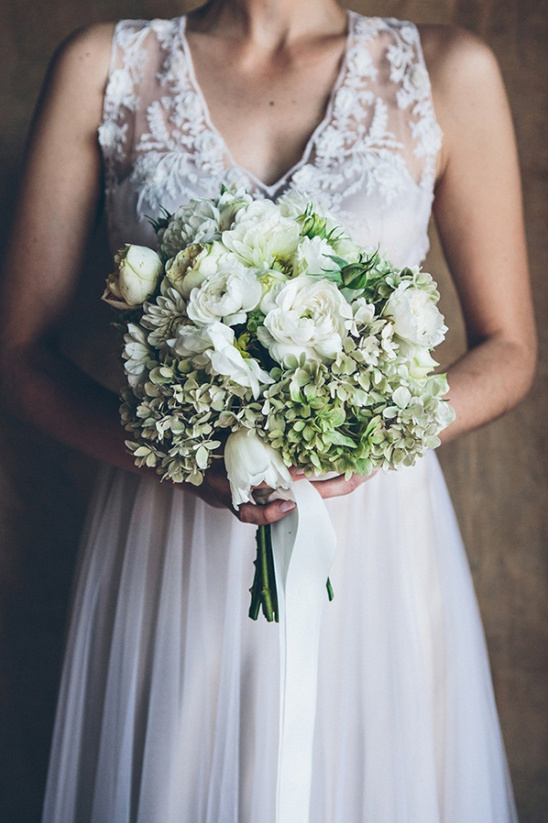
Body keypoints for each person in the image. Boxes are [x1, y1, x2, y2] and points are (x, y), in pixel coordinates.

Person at [0, 0, 536, 820]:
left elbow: (509, 348)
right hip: (168, 535)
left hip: (373, 548)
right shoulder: (103, 67)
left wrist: (370, 432)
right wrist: (178, 456)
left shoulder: (447, 70)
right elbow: (22, 355)